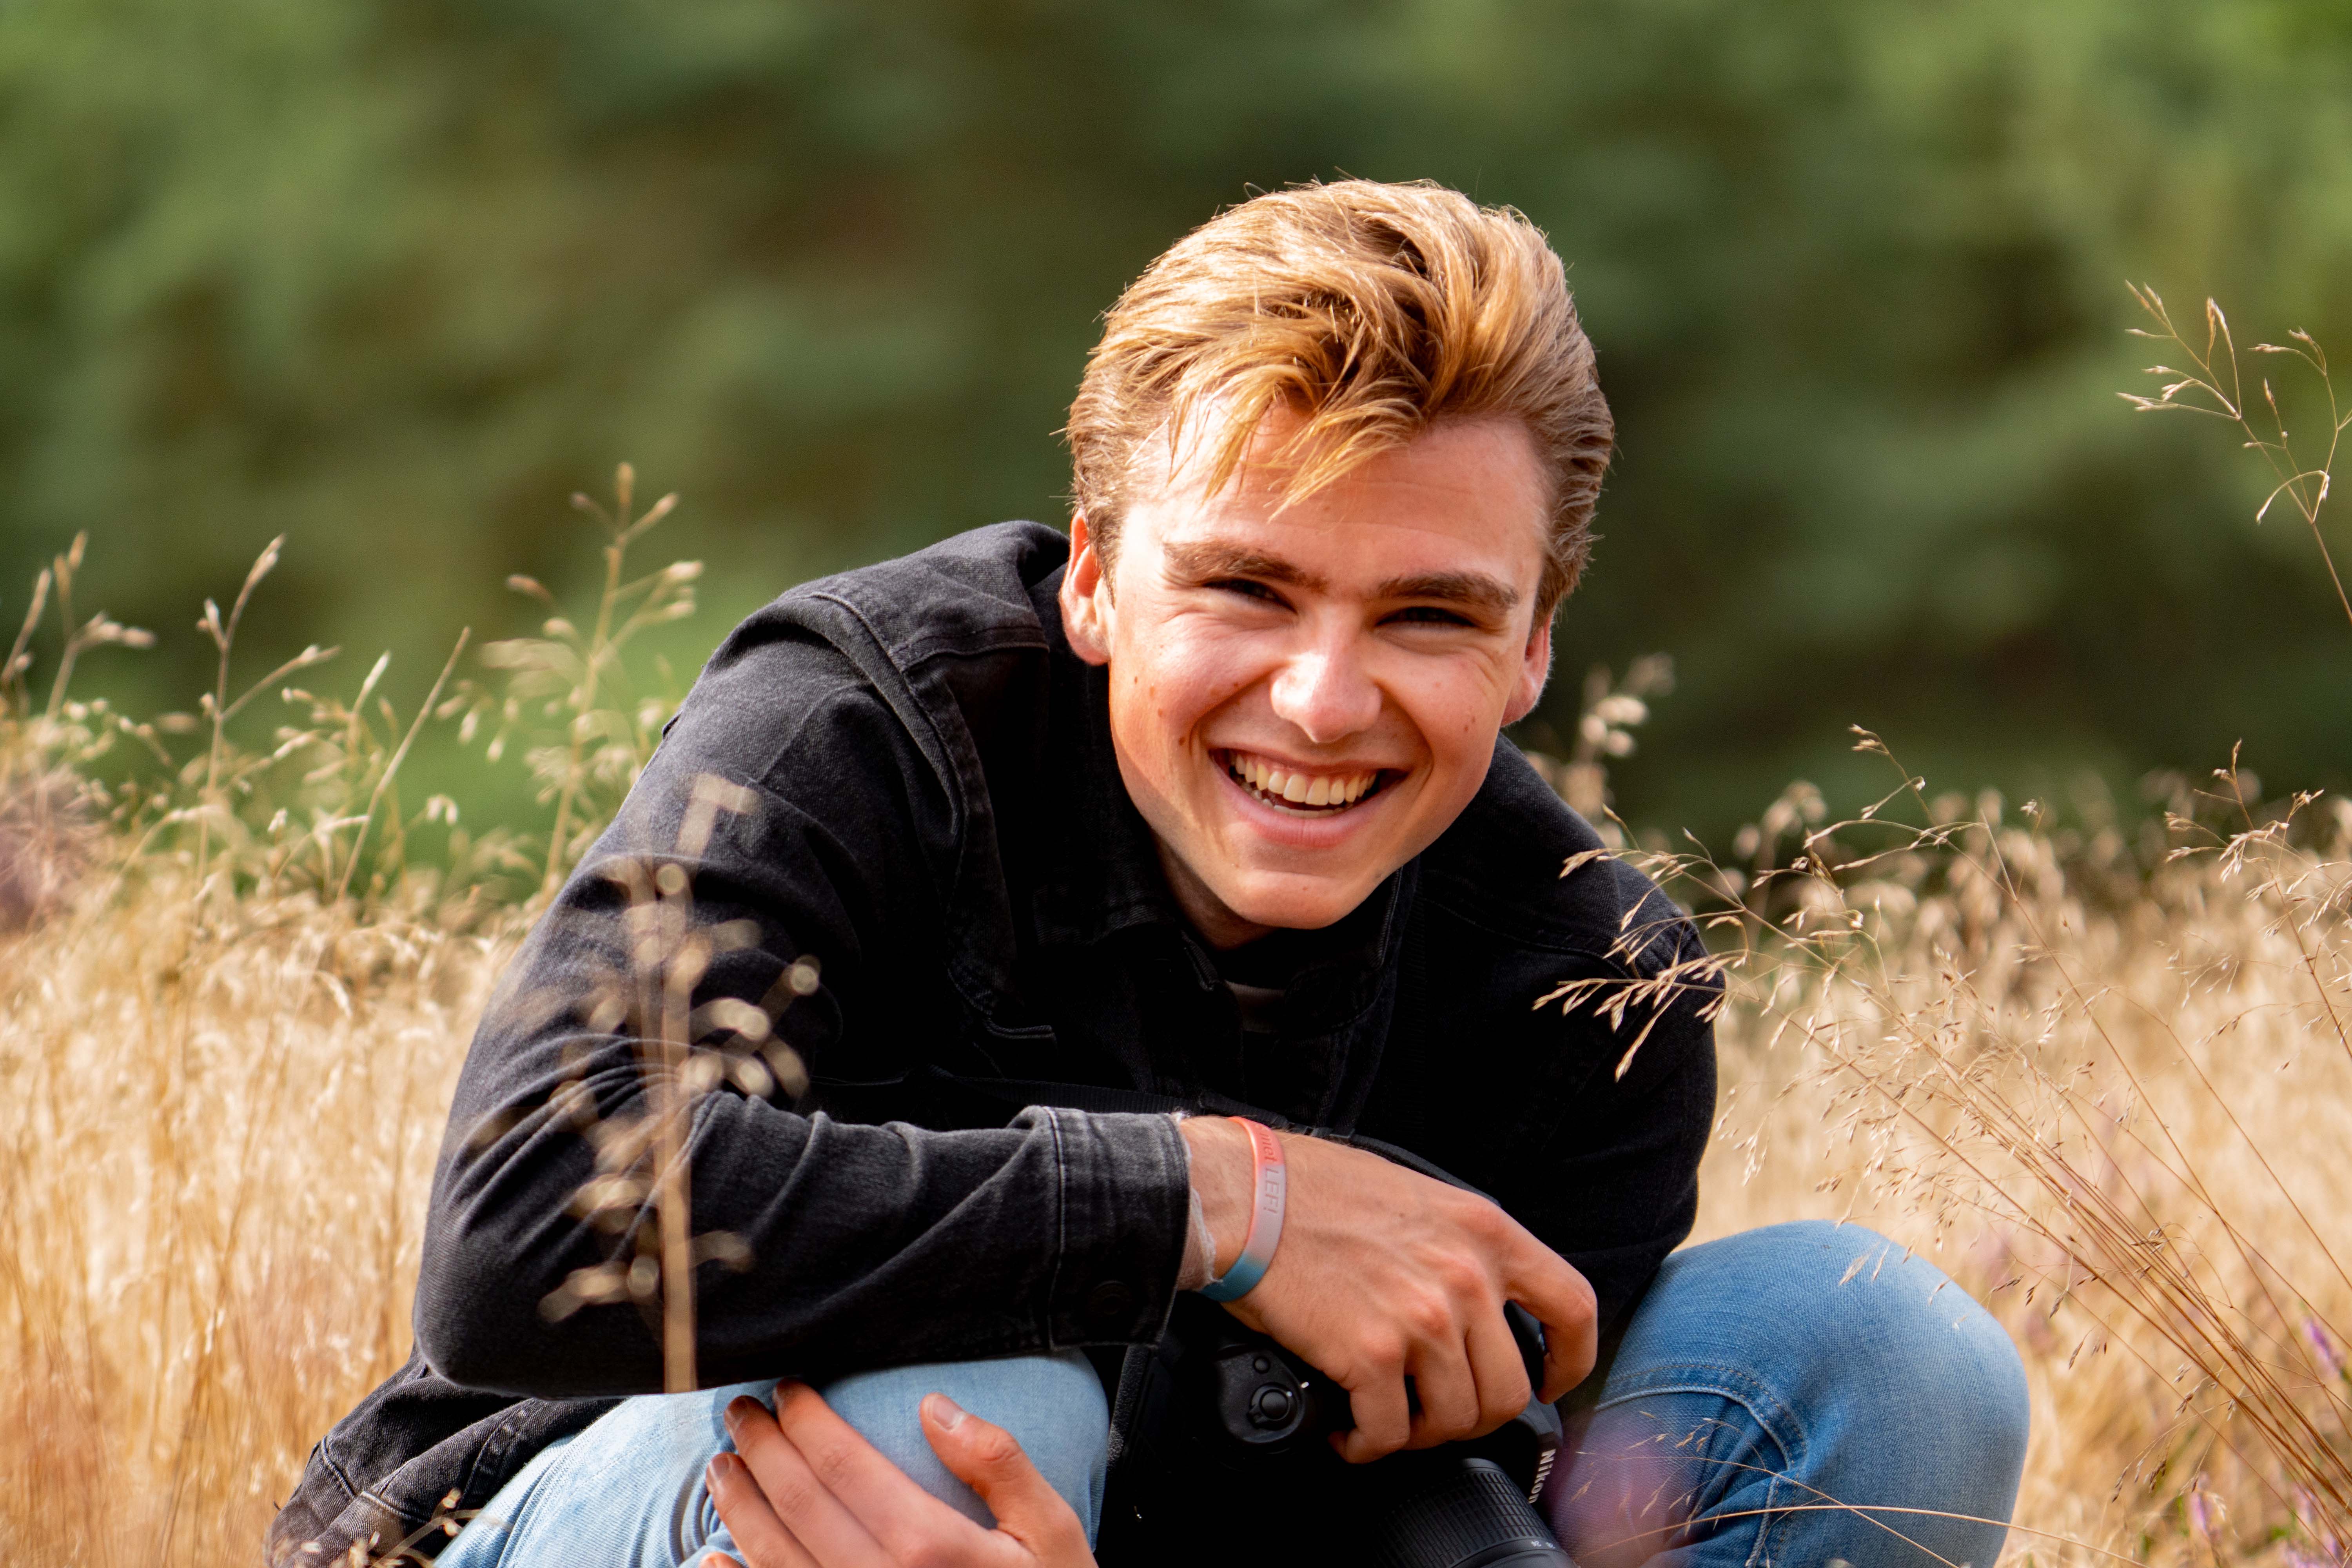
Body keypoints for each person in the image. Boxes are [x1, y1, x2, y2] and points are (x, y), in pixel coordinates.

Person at [268, 180, 2028, 1568]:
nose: (1325, 700)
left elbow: (1416, 1509)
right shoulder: (867, 724)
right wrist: (1217, 1200)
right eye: (1246, 591)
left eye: (1428, 613)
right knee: (967, 1419)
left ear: (1537, 644)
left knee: (1886, 1352)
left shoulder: (1588, 982)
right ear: (1096, 582)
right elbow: (520, 1234)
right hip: (586, 1520)